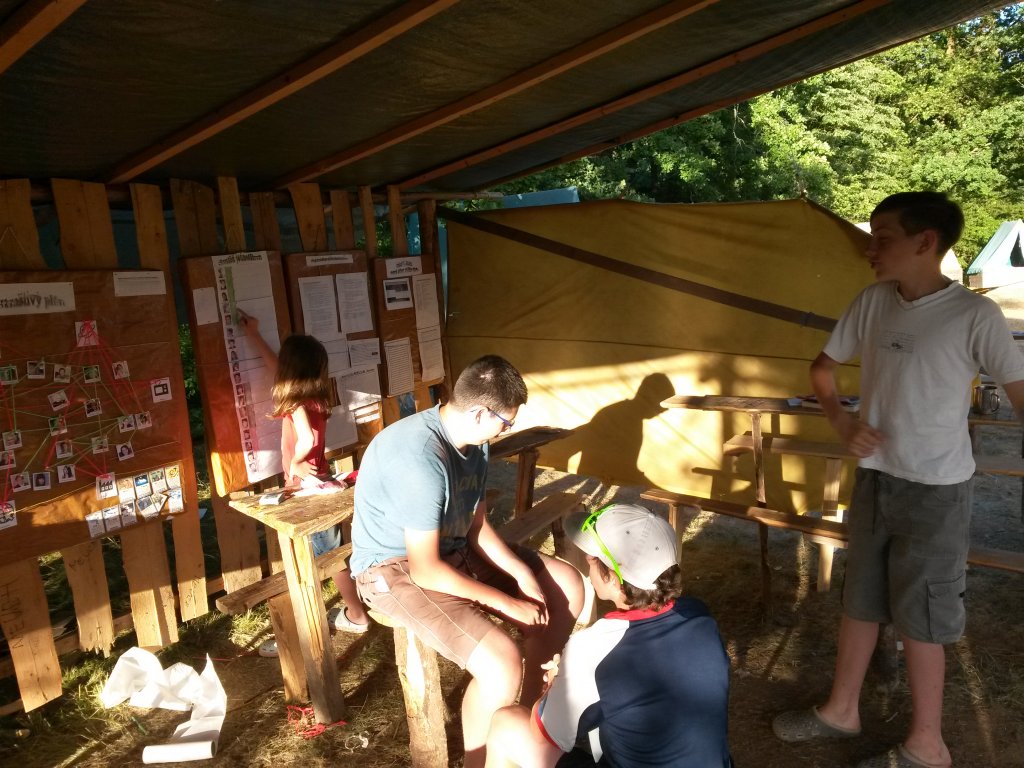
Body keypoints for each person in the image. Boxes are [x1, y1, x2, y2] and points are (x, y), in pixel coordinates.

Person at [772, 192, 1024, 768]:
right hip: (876, 478)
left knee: (922, 617)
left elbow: (1019, 392)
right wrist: (841, 421)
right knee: (860, 600)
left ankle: (927, 746)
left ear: (925, 242)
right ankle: (842, 711)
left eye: (882, 237)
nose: (869, 248)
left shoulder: (975, 315)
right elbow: (822, 370)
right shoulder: (872, 301)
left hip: (937, 490)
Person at [350, 355, 585, 768]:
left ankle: (527, 726)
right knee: (501, 663)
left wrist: (520, 574)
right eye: (506, 423)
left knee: (566, 585)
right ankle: (478, 762)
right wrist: (506, 602)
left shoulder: (474, 443)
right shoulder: (420, 459)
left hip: (451, 548)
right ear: (479, 413)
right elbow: (425, 569)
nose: (506, 430)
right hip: (393, 568)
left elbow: (475, 525)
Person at [486, 503, 733, 768]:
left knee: (506, 724)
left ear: (614, 579)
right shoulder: (699, 616)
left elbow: (544, 732)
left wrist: (556, 684)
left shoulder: (593, 648)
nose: (587, 561)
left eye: (593, 558)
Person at [238, 310, 370, 658]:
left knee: (327, 559)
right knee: (330, 555)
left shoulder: (296, 403)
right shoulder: (313, 396)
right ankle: (348, 613)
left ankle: (352, 616)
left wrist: (296, 463)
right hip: (317, 485)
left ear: (290, 371)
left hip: (305, 491)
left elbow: (308, 438)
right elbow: (275, 367)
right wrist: (253, 335)